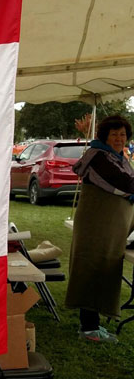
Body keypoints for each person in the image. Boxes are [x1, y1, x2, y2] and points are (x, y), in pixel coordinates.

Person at [65, 114, 134, 343]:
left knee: (103, 271)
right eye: (114, 134)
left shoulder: (117, 157)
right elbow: (123, 183)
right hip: (96, 227)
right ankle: (88, 328)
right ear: (105, 136)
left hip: (109, 229)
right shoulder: (98, 157)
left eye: (122, 134)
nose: (119, 138)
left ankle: (92, 324)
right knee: (91, 270)